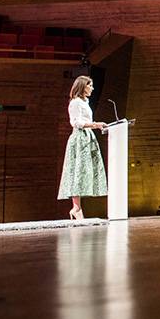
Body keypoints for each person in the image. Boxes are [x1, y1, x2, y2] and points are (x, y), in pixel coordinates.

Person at [58, 75, 108, 220]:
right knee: (77, 171)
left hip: (88, 137)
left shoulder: (85, 102)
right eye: (90, 85)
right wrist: (95, 125)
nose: (92, 88)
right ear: (82, 86)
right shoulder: (75, 103)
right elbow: (76, 122)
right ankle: (76, 207)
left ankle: (77, 207)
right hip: (79, 138)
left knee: (84, 172)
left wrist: (96, 126)